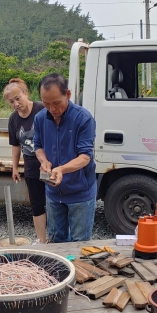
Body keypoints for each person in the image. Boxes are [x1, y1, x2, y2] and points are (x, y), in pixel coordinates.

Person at [33, 73, 97, 243]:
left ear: (67, 94)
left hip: (80, 192)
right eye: (46, 104)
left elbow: (85, 157)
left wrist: (61, 169)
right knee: (56, 240)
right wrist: (44, 161)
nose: (52, 109)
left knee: (79, 243)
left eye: (56, 103)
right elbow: (37, 146)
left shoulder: (83, 119)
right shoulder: (40, 118)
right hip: (53, 192)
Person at [3, 78, 48, 244]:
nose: (16, 104)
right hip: (30, 165)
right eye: (11, 101)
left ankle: (58, 239)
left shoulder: (42, 110)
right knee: (36, 204)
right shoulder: (13, 119)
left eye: (18, 98)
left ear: (25, 94)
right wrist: (14, 167)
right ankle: (42, 240)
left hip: (49, 164)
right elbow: (15, 145)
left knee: (54, 202)